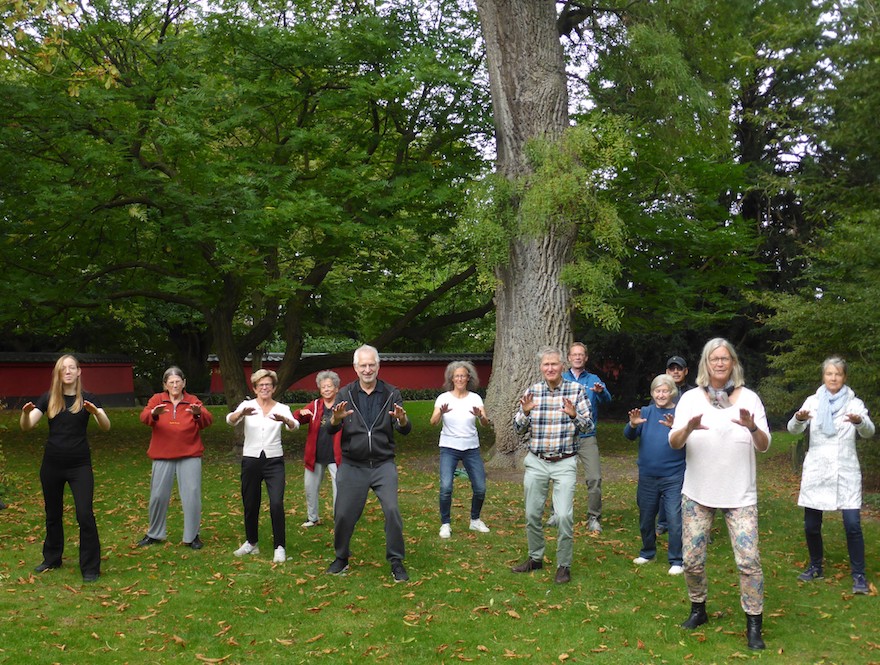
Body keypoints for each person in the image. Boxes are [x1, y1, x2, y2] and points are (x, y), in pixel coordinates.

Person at [669, 338, 770, 651]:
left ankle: (754, 624)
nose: (720, 363)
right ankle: (698, 609)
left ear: (734, 363)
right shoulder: (689, 399)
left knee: (749, 562)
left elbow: (764, 444)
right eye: (714, 359)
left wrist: (752, 427)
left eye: (726, 358)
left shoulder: (749, 399)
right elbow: (675, 442)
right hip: (698, 492)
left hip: (740, 494)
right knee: (692, 560)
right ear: (705, 363)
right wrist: (687, 429)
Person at [787, 356, 875, 595]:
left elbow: (869, 431)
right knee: (812, 525)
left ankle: (859, 575)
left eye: (837, 374)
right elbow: (792, 429)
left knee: (853, 524)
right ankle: (816, 566)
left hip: (845, 468)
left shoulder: (854, 403)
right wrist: (799, 418)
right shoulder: (813, 402)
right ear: (823, 376)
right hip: (817, 468)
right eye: (829, 374)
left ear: (844, 377)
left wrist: (859, 422)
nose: (833, 378)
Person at [19, 354, 111, 582]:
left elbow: (106, 427)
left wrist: (97, 413)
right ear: (59, 374)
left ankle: (90, 568)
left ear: (79, 372)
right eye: (64, 368)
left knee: (84, 514)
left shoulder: (89, 399)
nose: (68, 371)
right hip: (52, 465)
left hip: (79, 466)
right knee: (53, 514)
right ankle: (52, 558)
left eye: (72, 368)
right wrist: (24, 413)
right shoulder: (49, 398)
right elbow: (28, 426)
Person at [325, 345, 412, 582]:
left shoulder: (391, 393)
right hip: (353, 464)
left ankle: (396, 560)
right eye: (362, 365)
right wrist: (335, 419)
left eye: (371, 364)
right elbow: (329, 427)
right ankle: (341, 557)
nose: (367, 369)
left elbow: (404, 429)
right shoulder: (345, 394)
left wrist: (403, 421)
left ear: (378, 366)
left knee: (392, 511)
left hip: (383, 463)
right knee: (343, 514)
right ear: (355, 367)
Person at [511, 347, 593, 584]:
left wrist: (574, 415)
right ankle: (535, 558)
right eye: (546, 365)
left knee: (565, 515)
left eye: (554, 364)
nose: (550, 368)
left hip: (565, 462)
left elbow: (588, 427)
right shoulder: (532, 392)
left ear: (562, 366)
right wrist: (525, 414)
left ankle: (563, 565)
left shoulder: (576, 391)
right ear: (540, 367)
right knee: (531, 514)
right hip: (537, 462)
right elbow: (517, 430)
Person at [137, 367, 213, 550]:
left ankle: (192, 536)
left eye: (178, 381)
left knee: (192, 495)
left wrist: (197, 413)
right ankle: (154, 533)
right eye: (171, 382)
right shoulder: (157, 399)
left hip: (189, 454)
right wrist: (154, 414)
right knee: (157, 495)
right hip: (162, 454)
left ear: (184, 383)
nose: (175, 385)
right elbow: (144, 416)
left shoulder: (192, 400)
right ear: (165, 385)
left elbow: (207, 420)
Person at [226, 369, 298, 564]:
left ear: (273, 388)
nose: (264, 388)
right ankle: (251, 542)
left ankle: (280, 547)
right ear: (255, 388)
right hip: (251, 460)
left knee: (276, 503)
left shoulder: (282, 407)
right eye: (261, 385)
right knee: (250, 503)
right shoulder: (247, 405)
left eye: (268, 385)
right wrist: (241, 413)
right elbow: (230, 420)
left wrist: (285, 420)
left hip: (274, 460)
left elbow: (295, 426)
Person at [624, 374, 684, 575]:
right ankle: (648, 552)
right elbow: (629, 436)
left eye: (665, 390)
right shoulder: (646, 412)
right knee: (646, 517)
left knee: (675, 519)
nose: (661, 394)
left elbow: (688, 439)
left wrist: (675, 426)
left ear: (672, 393)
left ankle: (677, 559)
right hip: (648, 476)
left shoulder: (679, 413)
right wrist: (632, 425)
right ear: (652, 393)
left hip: (674, 476)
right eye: (657, 391)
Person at [430, 361, 491, 539]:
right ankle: (445, 524)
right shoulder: (443, 398)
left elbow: (485, 423)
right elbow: (433, 423)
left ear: (468, 378)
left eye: (463, 376)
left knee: (480, 487)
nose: (460, 379)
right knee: (446, 487)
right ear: (452, 378)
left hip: (471, 448)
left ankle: (475, 520)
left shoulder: (475, 398)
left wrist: (481, 416)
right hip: (449, 447)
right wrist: (440, 413)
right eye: (457, 376)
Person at [560, 342, 611, 532]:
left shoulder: (594, 379)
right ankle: (556, 513)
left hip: (587, 436)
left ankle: (594, 517)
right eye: (574, 354)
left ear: (586, 358)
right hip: (564, 436)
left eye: (581, 354)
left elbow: (608, 401)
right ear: (569, 358)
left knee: (594, 478)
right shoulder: (561, 378)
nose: (578, 357)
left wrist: (601, 392)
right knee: (560, 477)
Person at [293, 371, 343, 528]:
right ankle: (312, 518)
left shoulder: (342, 405)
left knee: (340, 490)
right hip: (315, 455)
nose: (326, 389)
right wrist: (300, 414)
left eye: (329, 386)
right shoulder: (315, 405)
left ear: (336, 388)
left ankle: (340, 520)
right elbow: (297, 419)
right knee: (310, 487)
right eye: (323, 387)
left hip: (337, 456)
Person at [657, 355, 694, 536]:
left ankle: (694, 523)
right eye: (672, 369)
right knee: (667, 483)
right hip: (667, 445)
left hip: (691, 444)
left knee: (691, 483)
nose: (676, 372)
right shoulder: (661, 392)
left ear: (686, 371)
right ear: (667, 372)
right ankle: (663, 522)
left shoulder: (694, 394)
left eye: (679, 368)